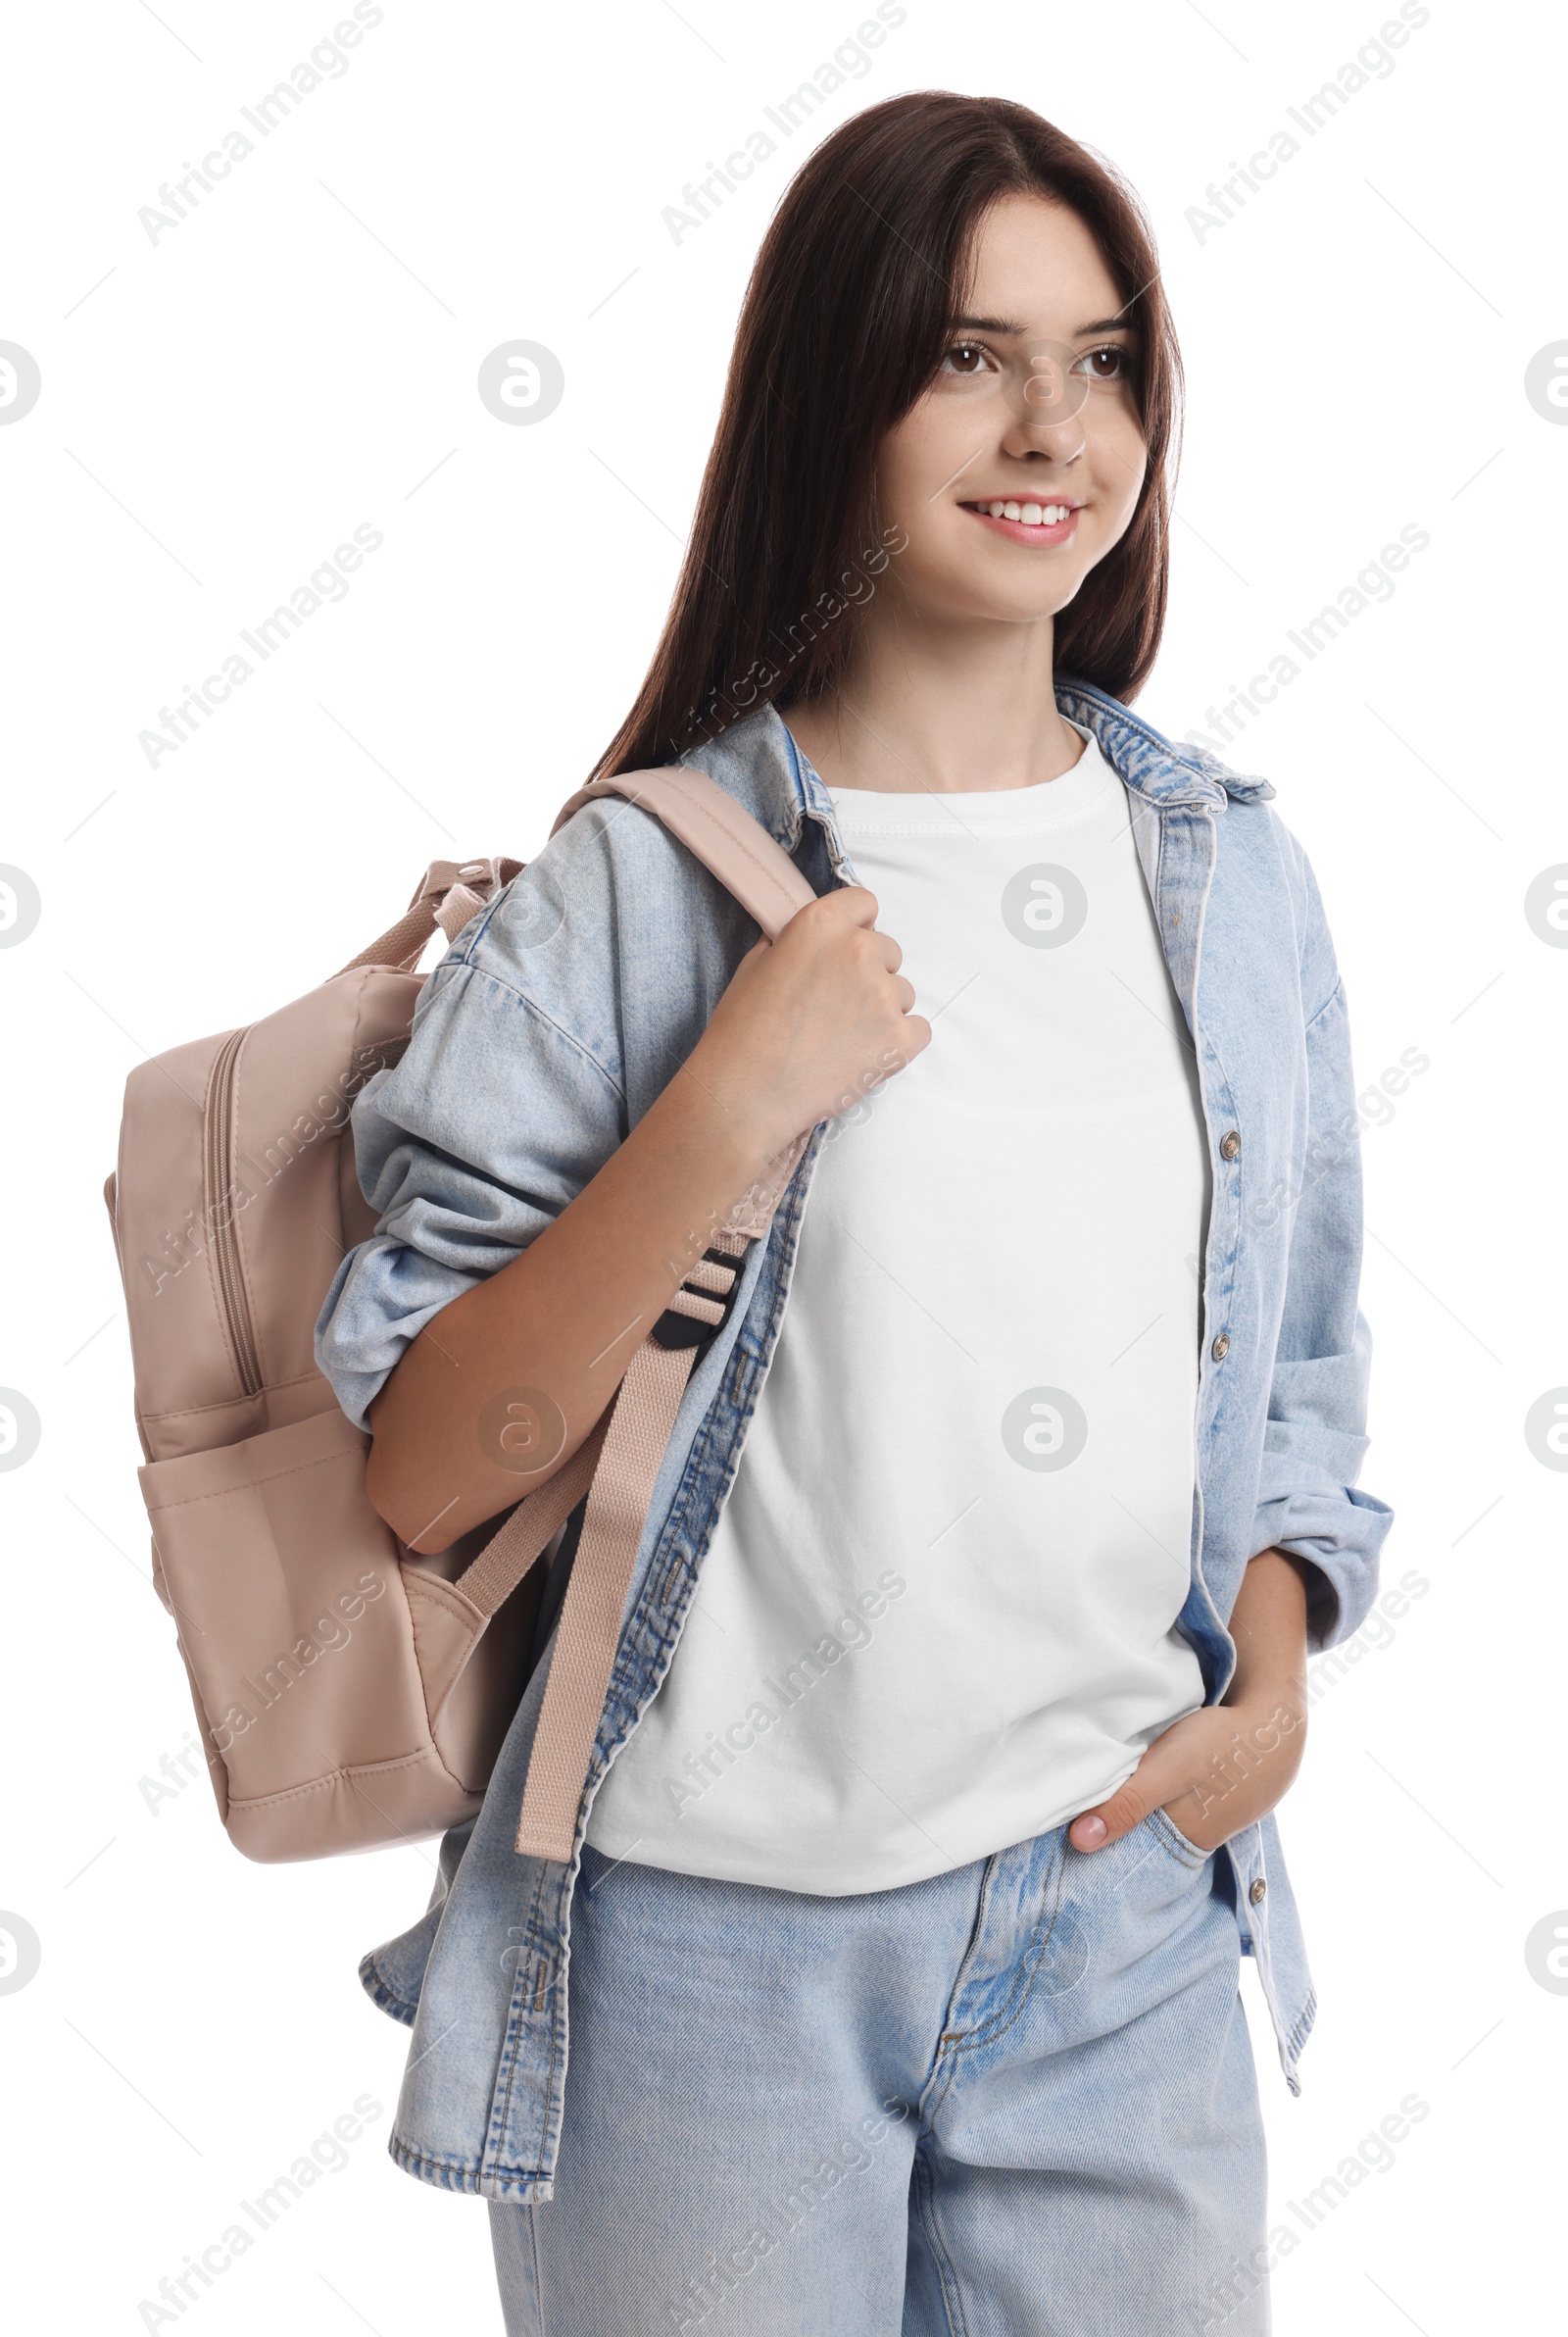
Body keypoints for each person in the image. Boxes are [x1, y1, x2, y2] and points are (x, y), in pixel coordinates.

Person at [316, 89, 1392, 2337]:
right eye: (966, 354)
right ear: (839, 390)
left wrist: (1270, 1688)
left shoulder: (1225, 875)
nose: (1050, 427)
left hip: (1120, 1910)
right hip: (713, 1953)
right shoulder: (634, 891)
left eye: (1101, 360)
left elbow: (1289, 1369)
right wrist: (727, 1105)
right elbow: (417, 1471)